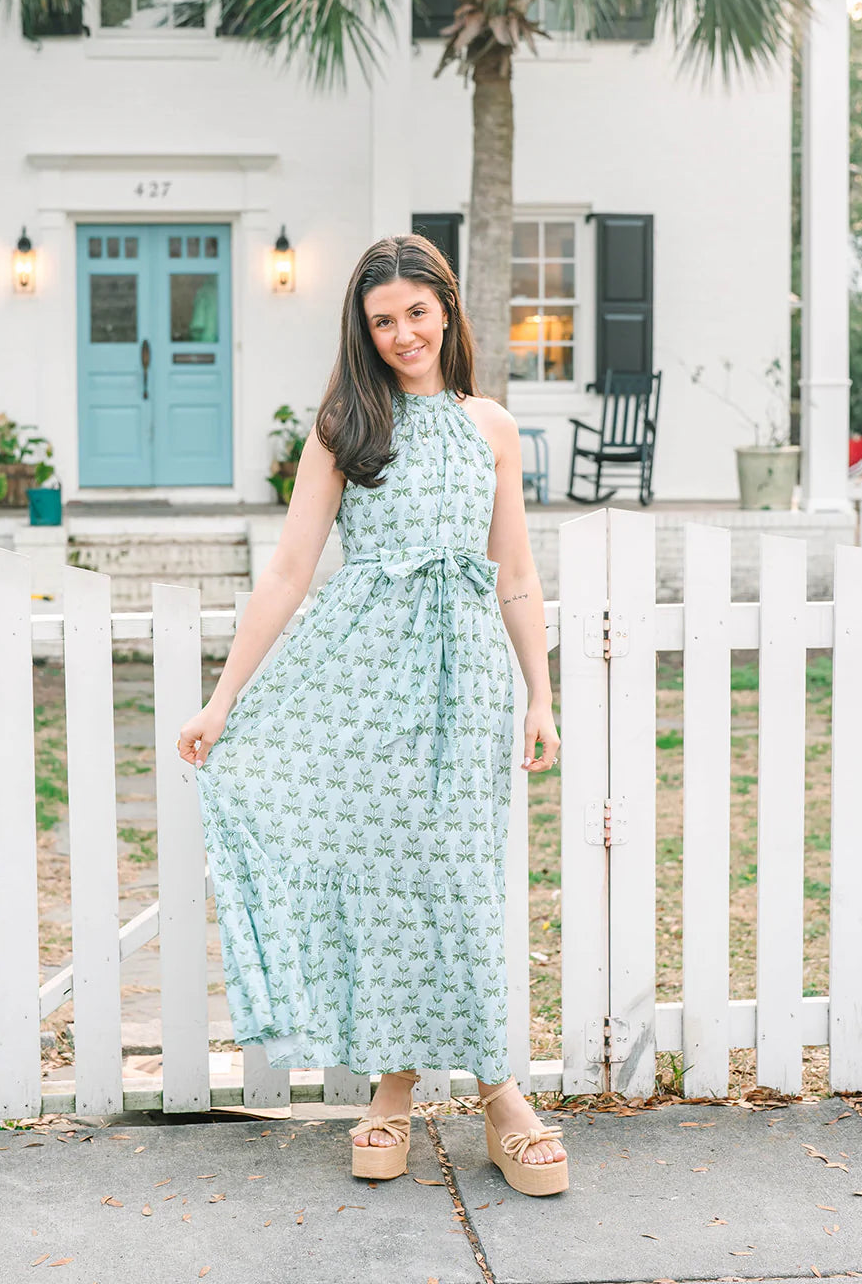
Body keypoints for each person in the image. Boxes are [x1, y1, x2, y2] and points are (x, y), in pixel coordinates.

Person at [176, 234, 567, 1197]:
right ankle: (393, 1094)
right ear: (363, 328)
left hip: (466, 678)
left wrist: (539, 693)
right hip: (362, 677)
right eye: (381, 320)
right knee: (389, 883)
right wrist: (224, 701)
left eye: (415, 314)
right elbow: (289, 569)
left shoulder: (492, 427)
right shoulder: (347, 425)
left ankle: (495, 1093)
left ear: (446, 310)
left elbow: (513, 573)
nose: (401, 335)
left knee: (462, 880)